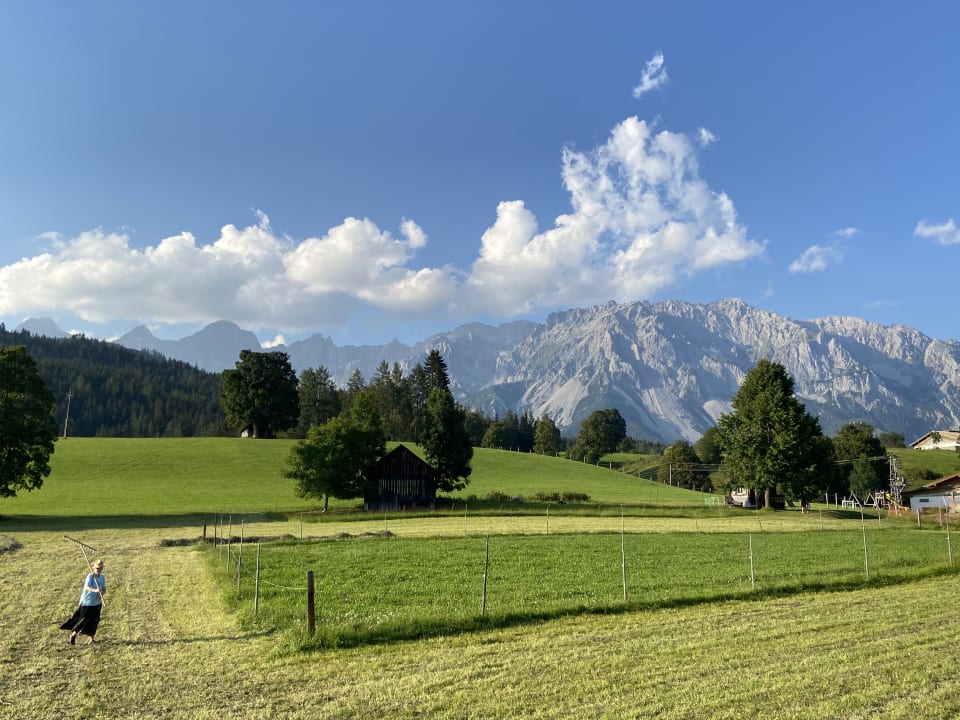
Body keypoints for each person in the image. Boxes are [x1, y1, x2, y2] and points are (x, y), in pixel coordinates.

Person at [60, 559, 106, 644]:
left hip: (97, 603)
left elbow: (104, 588)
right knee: (84, 620)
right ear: (94, 568)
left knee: (95, 621)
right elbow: (87, 587)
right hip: (87, 602)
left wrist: (102, 593)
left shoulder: (102, 577)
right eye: (97, 568)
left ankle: (92, 639)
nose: (99, 570)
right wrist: (95, 590)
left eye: (100, 568)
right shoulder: (90, 577)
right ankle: (73, 634)